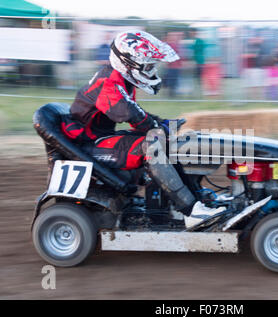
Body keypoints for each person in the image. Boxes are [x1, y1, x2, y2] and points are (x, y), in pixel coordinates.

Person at [60, 30, 225, 228]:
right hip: (87, 147)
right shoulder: (108, 83)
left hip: (99, 138)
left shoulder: (121, 80)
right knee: (153, 146)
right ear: (128, 63)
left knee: (165, 140)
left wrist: (162, 123)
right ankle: (190, 212)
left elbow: (136, 115)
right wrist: (158, 126)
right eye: (148, 65)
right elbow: (130, 115)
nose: (151, 69)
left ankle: (194, 199)